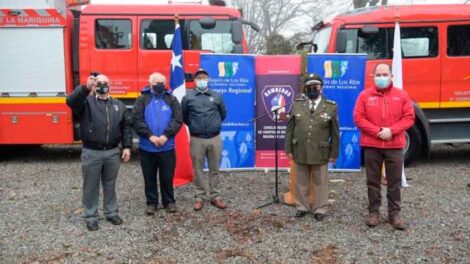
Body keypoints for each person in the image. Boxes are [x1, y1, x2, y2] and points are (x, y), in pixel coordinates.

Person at [66, 73, 132, 231]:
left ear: (110, 85)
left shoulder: (118, 105)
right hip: (92, 152)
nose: (102, 85)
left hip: (112, 152)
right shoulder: (85, 103)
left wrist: (127, 147)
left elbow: (126, 127)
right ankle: (91, 216)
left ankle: (111, 212)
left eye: (105, 82)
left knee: (110, 184)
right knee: (91, 185)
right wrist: (84, 88)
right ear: (94, 86)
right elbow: (70, 101)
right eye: (99, 83)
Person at [353, 63, 415, 230]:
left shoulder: (401, 96)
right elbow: (358, 118)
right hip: (372, 145)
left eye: (384, 74)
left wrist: (392, 131)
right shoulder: (364, 96)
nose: (382, 77)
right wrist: (378, 131)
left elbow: (409, 118)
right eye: (378, 75)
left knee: (394, 182)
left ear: (391, 76)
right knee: (372, 181)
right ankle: (373, 212)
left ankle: (394, 214)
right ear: (373, 77)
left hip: (394, 145)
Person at [285, 73, 339, 221]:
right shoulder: (297, 104)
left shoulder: (330, 106)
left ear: (321, 88)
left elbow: (335, 132)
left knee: (320, 181)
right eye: (309, 87)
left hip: (320, 151)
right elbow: (290, 128)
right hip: (300, 149)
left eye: (315, 86)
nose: (312, 89)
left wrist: (334, 153)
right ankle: (301, 206)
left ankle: (320, 208)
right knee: (301, 180)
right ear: (305, 89)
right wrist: (288, 149)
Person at [132, 72, 182, 215]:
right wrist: (150, 136)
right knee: (149, 177)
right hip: (147, 147)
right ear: (150, 83)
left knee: (167, 176)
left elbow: (177, 119)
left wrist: (166, 135)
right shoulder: (142, 99)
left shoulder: (171, 99)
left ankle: (169, 202)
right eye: (157, 82)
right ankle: (152, 203)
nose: (160, 85)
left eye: (163, 82)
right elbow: (136, 120)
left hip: (167, 146)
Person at [181, 68, 227, 211]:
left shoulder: (216, 96)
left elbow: (223, 114)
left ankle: (215, 196)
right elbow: (184, 117)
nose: (202, 80)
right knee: (197, 169)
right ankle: (199, 196)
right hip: (197, 139)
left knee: (215, 168)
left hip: (215, 138)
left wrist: (213, 125)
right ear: (194, 81)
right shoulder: (188, 97)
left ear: (208, 79)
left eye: (204, 77)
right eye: (199, 77)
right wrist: (196, 126)